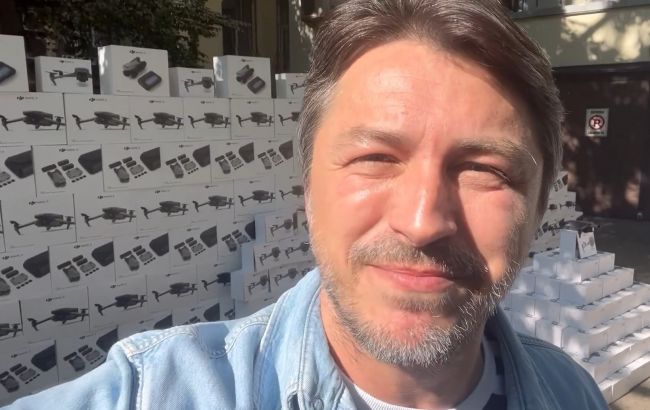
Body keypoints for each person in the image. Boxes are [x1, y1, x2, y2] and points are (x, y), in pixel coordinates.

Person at [7, 0, 607, 409]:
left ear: (538, 203)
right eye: (376, 157)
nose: (422, 221)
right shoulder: (153, 393)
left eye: (484, 170)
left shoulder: (572, 393)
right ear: (307, 184)